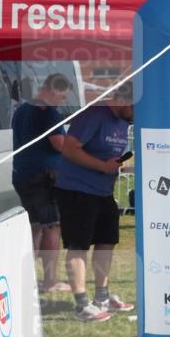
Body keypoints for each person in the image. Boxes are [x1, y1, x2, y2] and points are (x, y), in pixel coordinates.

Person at [55, 85, 136, 322]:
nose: (136, 114)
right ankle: (82, 305)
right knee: (78, 246)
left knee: (106, 242)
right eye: (134, 107)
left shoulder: (122, 120)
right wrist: (102, 166)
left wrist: (117, 166)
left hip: (103, 191)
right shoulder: (94, 114)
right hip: (76, 190)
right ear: (123, 99)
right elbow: (69, 149)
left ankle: (102, 297)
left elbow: (107, 155)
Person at [11, 73, 72, 293]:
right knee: (52, 226)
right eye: (62, 96)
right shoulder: (48, 112)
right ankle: (50, 281)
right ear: (53, 89)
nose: (62, 102)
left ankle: (25, 278)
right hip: (44, 177)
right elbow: (59, 144)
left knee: (35, 227)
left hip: (22, 174)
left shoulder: (21, 110)